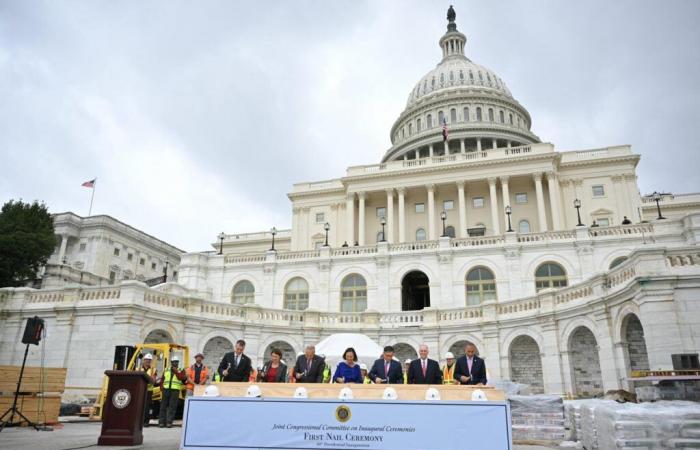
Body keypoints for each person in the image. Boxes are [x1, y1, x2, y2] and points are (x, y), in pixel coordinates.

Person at [158, 355, 186, 428]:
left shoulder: (181, 369)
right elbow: (162, 379)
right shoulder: (166, 369)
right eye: (174, 362)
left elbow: (181, 378)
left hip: (175, 390)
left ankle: (169, 422)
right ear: (171, 362)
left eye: (176, 362)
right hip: (166, 389)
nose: (175, 363)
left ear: (178, 362)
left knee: (172, 407)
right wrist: (161, 386)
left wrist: (176, 372)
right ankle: (161, 422)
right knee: (163, 406)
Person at [135, 353, 157, 426]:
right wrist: (148, 379)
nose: (148, 361)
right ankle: (138, 421)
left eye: (149, 360)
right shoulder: (138, 368)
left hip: (148, 390)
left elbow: (153, 380)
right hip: (140, 390)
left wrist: (148, 380)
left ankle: (145, 422)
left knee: (147, 406)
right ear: (144, 360)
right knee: (139, 405)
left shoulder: (153, 369)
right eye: (147, 360)